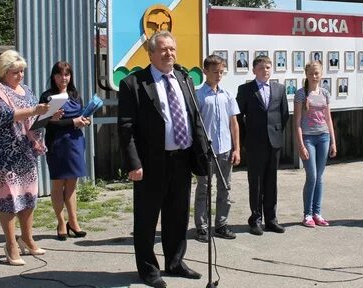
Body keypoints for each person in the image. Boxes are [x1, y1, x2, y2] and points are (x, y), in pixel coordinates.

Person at [118, 31, 207, 287]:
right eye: (163, 49)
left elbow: (195, 119)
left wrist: (201, 157)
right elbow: (126, 127)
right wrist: (133, 163)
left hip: (181, 159)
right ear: (151, 53)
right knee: (147, 218)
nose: (169, 53)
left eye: (172, 49)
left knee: (177, 215)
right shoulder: (134, 83)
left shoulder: (184, 79)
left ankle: (175, 261)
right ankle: (148, 269)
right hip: (150, 162)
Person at [0, 50, 50, 266]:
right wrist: (33, 110)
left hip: (24, 152)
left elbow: (34, 115)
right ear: (3, 72)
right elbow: (4, 116)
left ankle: (27, 239)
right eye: (16, 72)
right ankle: (11, 245)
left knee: (28, 198)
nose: (20, 75)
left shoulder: (26, 89)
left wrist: (49, 114)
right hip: (1, 156)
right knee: (8, 201)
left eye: (22, 71)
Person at [236, 55, 289, 236]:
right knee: (256, 182)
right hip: (254, 143)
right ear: (254, 70)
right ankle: (255, 219)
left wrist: (275, 133)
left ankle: (271, 219)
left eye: (267, 67)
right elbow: (238, 117)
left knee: (271, 182)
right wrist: (245, 138)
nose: (265, 70)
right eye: (261, 68)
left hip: (273, 142)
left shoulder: (279, 89)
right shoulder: (245, 90)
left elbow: (284, 115)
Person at [40, 61, 90, 241]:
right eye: (60, 74)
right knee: (58, 184)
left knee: (72, 184)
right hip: (57, 144)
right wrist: (72, 122)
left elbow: (81, 116)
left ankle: (74, 222)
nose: (64, 78)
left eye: (67, 74)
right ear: (54, 77)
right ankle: (61, 222)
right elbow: (45, 122)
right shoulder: (47, 97)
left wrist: (84, 121)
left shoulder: (75, 95)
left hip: (75, 143)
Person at [193, 55, 240, 243]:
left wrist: (237, 148)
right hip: (206, 151)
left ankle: (221, 224)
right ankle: (202, 227)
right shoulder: (198, 95)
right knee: (204, 188)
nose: (219, 75)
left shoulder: (227, 95)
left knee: (225, 188)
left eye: (221, 72)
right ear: (205, 71)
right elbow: (195, 125)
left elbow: (234, 123)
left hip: (226, 149)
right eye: (215, 72)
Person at [293, 61, 337, 227]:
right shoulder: (301, 94)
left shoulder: (325, 93)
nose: (314, 76)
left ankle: (317, 213)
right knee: (311, 176)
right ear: (306, 74)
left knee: (319, 177)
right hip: (308, 138)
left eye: (317, 73)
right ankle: (307, 214)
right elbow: (296, 122)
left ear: (321, 74)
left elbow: (328, 119)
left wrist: (333, 141)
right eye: (311, 73)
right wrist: (301, 145)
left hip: (323, 137)